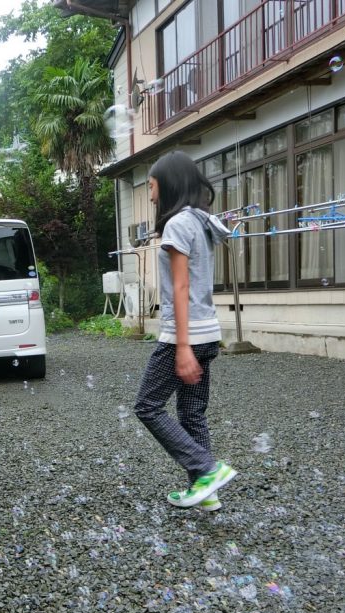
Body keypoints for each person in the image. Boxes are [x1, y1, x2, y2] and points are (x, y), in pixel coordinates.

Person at [134, 150, 236, 510]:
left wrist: (181, 346)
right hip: (209, 332)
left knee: (147, 406)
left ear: (168, 184)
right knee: (192, 413)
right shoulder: (202, 220)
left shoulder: (177, 224)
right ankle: (206, 491)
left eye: (151, 184)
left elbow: (179, 287)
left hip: (187, 334)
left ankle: (206, 469)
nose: (149, 191)